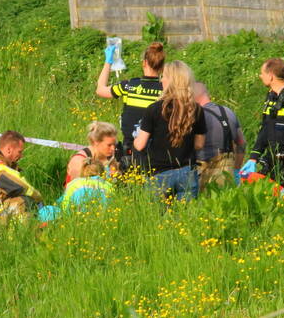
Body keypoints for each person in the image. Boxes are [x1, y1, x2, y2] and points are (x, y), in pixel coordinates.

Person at [133, 60, 206, 201]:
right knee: (184, 219)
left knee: (156, 219)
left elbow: (140, 145)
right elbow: (199, 145)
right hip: (187, 172)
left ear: (171, 81)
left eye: (164, 76)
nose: (161, 80)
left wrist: (136, 138)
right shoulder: (196, 110)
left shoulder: (154, 109)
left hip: (159, 173)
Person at [240, 58, 284, 188]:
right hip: (272, 154)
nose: (260, 76)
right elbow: (265, 128)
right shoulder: (271, 96)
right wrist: (254, 157)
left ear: (271, 76)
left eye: (262, 73)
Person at [95, 41, 165, 157]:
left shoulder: (129, 85)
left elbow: (100, 89)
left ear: (144, 63)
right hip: (156, 152)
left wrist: (108, 62)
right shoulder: (166, 90)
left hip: (129, 151)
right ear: (162, 66)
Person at [193, 81, 246, 189]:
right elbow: (241, 143)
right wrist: (236, 170)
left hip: (204, 175)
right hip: (227, 173)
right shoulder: (228, 111)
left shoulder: (197, 115)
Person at [39, 159, 115, 223]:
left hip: (73, 219)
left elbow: (62, 204)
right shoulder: (108, 186)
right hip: (101, 219)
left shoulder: (74, 183)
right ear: (102, 173)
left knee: (47, 210)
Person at [65, 121, 118, 185]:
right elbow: (76, 187)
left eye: (114, 144)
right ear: (96, 142)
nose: (113, 148)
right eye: (109, 145)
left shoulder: (111, 158)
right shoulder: (79, 160)